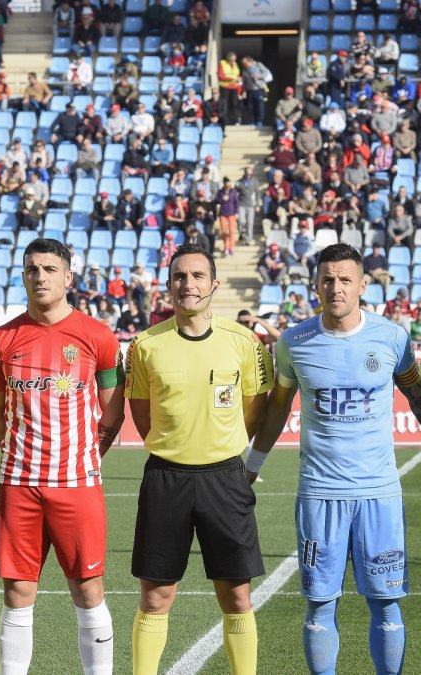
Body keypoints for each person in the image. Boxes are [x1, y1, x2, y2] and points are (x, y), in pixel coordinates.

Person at [245, 243, 421, 675]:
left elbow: (418, 399)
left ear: (362, 285)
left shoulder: (393, 337)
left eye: (345, 279)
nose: (336, 288)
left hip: (379, 495)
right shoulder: (294, 342)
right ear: (315, 284)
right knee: (319, 607)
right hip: (320, 495)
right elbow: (277, 408)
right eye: (327, 279)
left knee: (386, 605)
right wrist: (251, 466)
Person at [125, 244, 272, 675]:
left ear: (214, 284)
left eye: (197, 276)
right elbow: (141, 412)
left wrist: (219, 444)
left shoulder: (243, 341)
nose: (187, 285)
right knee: (155, 597)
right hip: (165, 478)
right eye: (179, 277)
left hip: (225, 479)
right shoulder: (145, 344)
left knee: (237, 597)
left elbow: (253, 408)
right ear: (168, 285)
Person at [0, 238, 125, 675]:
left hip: (77, 484)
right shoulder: (2, 338)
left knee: (88, 588)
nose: (39, 276)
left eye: (48, 268)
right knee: (17, 591)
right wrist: (21, 454)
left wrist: (84, 454)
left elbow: (112, 411)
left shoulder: (97, 336)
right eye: (31, 269)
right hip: (19, 484)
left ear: (68, 276)